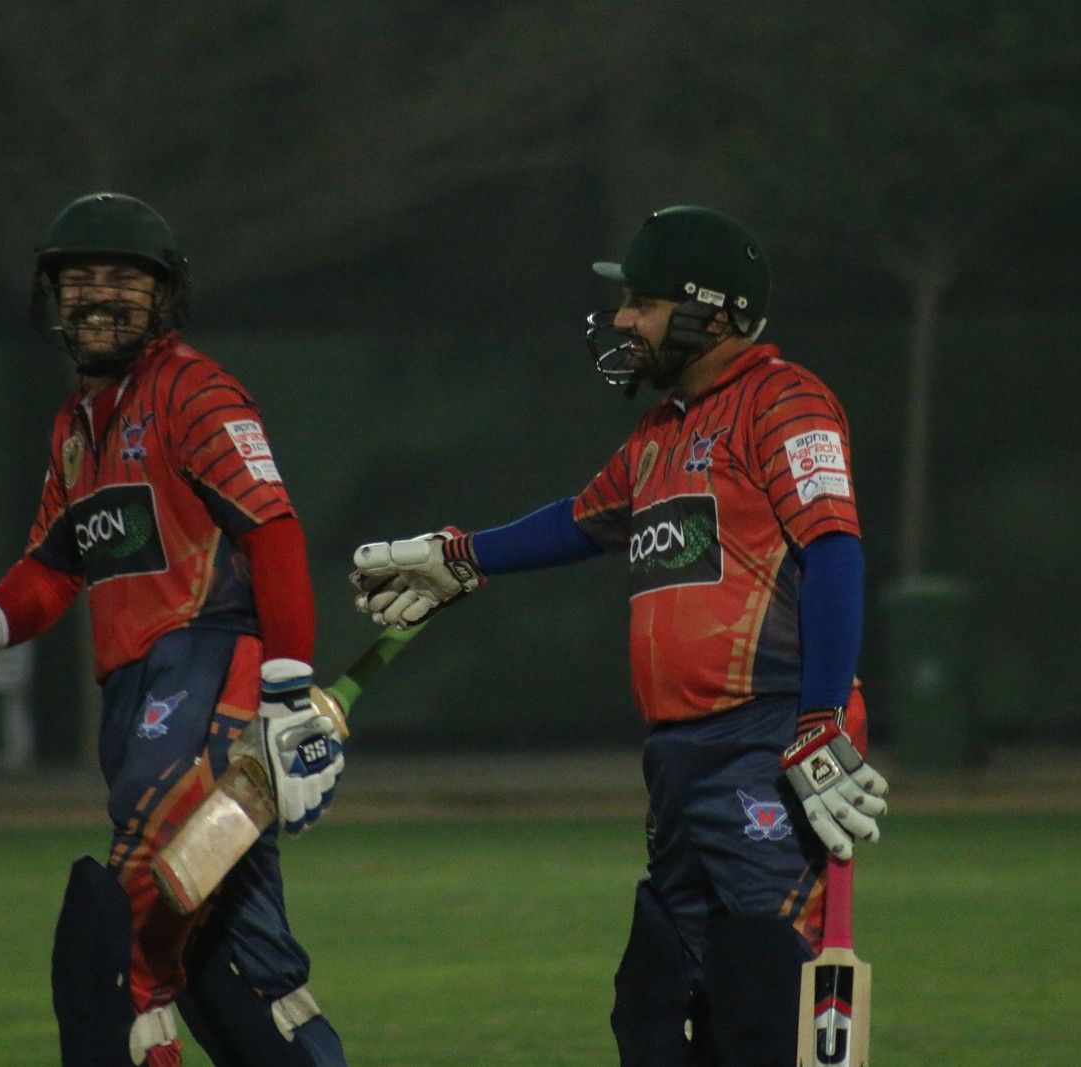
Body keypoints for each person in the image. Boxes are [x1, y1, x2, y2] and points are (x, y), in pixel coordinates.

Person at [350, 205, 890, 1066]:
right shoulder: (661, 432)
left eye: (644, 302)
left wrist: (820, 717)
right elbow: (582, 518)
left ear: (713, 314)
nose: (625, 319)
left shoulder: (784, 401)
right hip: (677, 757)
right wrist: (464, 556)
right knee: (656, 1004)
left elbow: (834, 549)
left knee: (761, 996)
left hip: (766, 737)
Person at [0, 192, 348, 1067]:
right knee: (248, 972)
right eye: (79, 279)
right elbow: (53, 566)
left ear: (163, 295)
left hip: (205, 670)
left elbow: (273, 530)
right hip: (138, 697)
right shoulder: (76, 427)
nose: (99, 296)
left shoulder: (195, 391)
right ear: (53, 296)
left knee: (126, 944)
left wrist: (289, 691)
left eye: (123, 279)